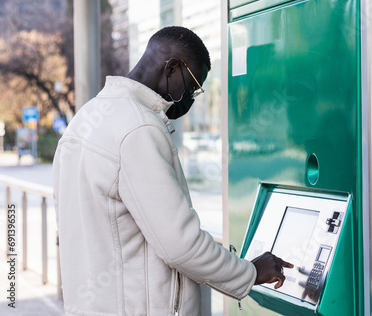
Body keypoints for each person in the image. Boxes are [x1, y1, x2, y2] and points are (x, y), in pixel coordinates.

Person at [53, 26, 293, 316]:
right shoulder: (138, 128)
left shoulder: (85, 119)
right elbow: (180, 243)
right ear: (172, 69)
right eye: (193, 86)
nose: (191, 99)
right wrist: (250, 272)